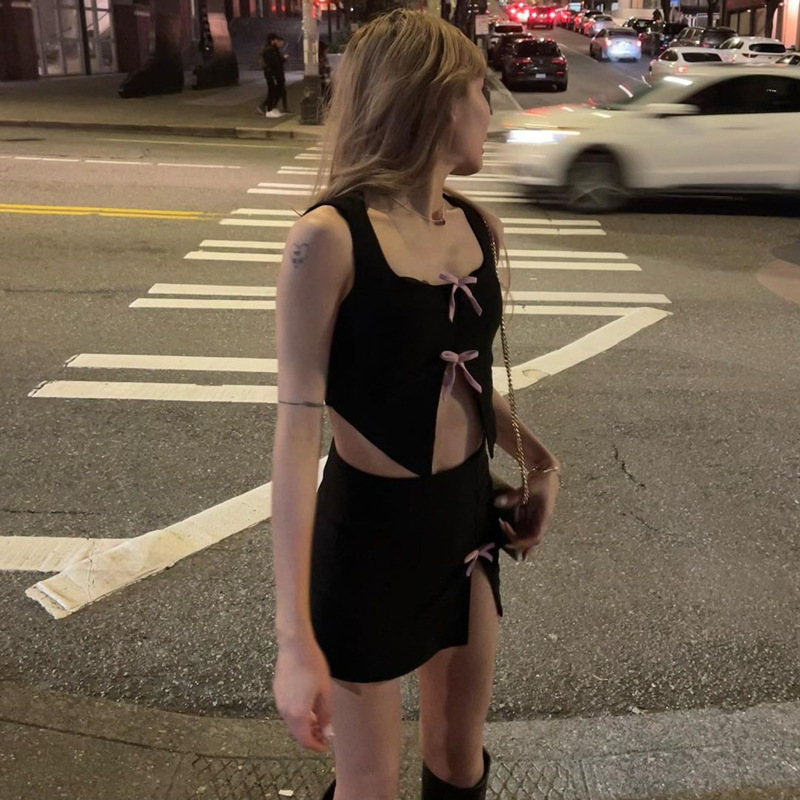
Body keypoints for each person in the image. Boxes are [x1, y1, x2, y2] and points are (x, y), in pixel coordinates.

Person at [271, 9, 561, 800]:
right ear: (434, 100)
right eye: (479, 89)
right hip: (368, 537)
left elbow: (464, 378)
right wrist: (294, 641)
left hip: (465, 525)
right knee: (369, 786)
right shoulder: (328, 238)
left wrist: (540, 463)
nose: (489, 108)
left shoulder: (475, 226)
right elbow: (294, 437)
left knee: (458, 761)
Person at [258, 33, 288, 118]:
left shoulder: (273, 49)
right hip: (272, 74)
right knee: (273, 91)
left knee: (276, 91)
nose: (277, 42)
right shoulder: (269, 50)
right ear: (272, 40)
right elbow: (274, 62)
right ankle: (269, 109)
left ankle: (271, 108)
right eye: (276, 40)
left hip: (274, 73)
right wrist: (282, 59)